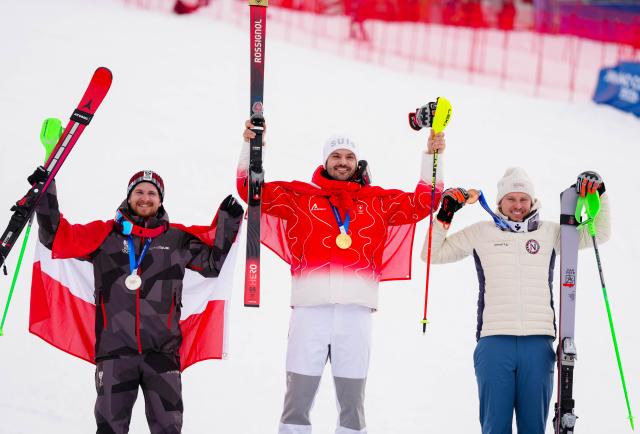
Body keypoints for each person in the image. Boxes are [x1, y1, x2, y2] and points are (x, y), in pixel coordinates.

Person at [237, 119, 446, 434]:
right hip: (310, 312)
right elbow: (249, 191)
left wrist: (433, 157)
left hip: (356, 314)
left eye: (349, 157)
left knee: (352, 405)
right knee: (297, 401)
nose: (343, 162)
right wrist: (252, 146)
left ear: (357, 162)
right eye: (336, 156)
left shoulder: (376, 202)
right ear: (325, 162)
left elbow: (424, 203)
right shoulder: (301, 198)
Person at [33, 169, 243, 434]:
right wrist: (45, 192)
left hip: (162, 354)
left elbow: (213, 264)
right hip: (114, 354)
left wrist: (228, 221)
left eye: (152, 193)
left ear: (160, 200)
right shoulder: (105, 236)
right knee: (110, 428)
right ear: (129, 196)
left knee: (168, 428)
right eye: (139, 192)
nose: (145, 198)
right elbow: (56, 237)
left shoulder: (177, 240)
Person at [423, 167, 611, 434]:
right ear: (500, 202)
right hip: (493, 343)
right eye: (511, 199)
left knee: (533, 428)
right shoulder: (481, 232)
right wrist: (445, 215)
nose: (518, 205)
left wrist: (599, 193)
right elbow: (432, 253)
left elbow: (599, 234)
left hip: (538, 344)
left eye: (524, 199)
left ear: (532, 201)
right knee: (495, 427)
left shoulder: (551, 233)